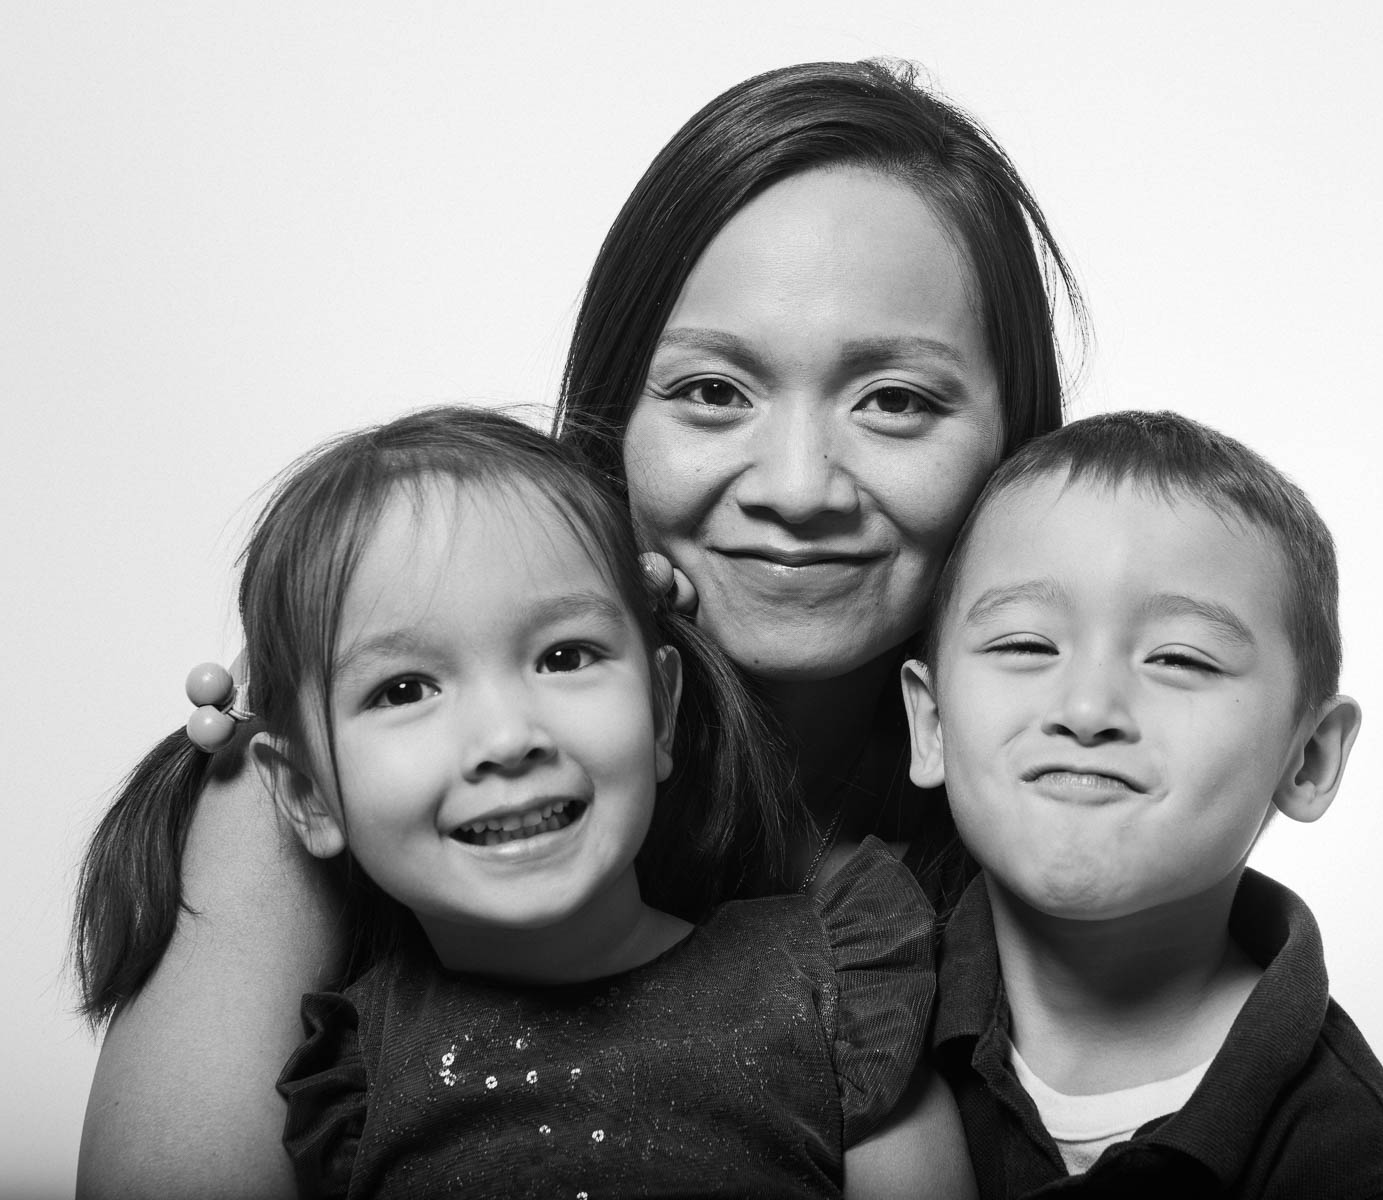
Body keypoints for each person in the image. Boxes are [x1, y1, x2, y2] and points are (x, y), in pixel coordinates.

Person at [77, 59, 1085, 1196]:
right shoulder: (328, 771)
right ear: (612, 417)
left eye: (895, 400)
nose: (800, 485)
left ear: (1017, 441)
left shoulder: (1088, 759)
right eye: (713, 391)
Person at [78, 405, 975, 1199]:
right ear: (308, 793)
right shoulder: (347, 1080)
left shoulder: (837, 987)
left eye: (565, 657)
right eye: (403, 690)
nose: (508, 737)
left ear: (662, 710)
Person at [900, 411, 1383, 1197]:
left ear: (1310, 757)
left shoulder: (1356, 1160)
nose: (1087, 709)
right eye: (1024, 644)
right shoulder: (843, 999)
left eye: (1179, 658)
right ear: (933, 723)